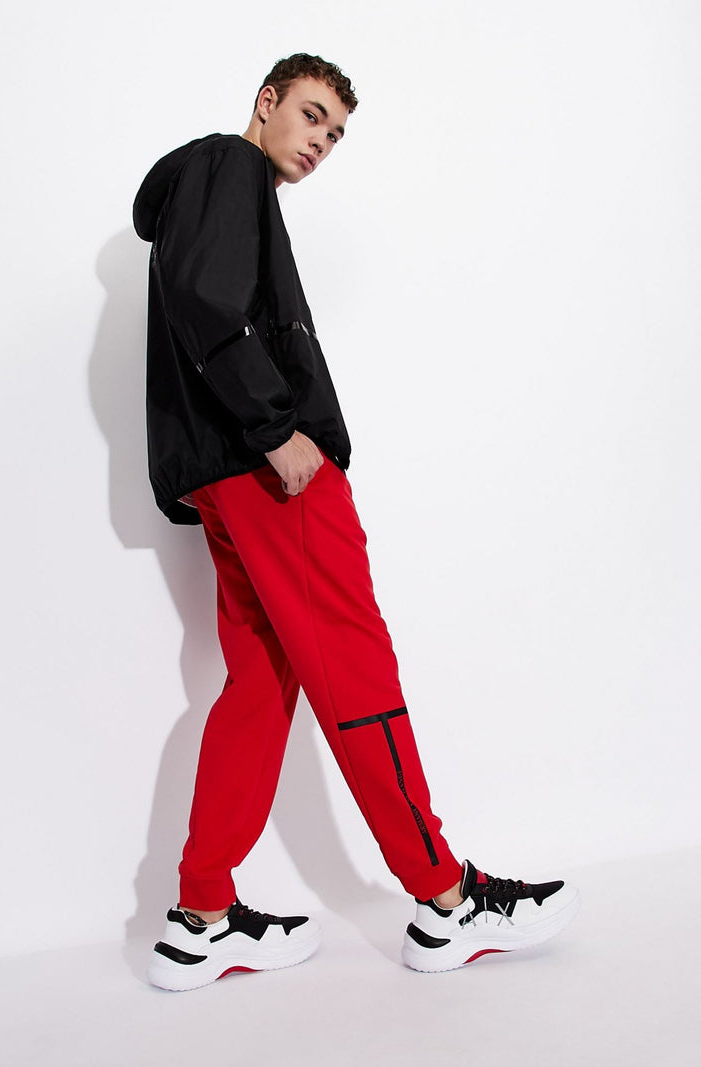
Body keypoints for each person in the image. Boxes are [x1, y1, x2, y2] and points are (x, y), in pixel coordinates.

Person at [132, 53, 579, 992]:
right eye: (311, 116)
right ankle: (445, 898)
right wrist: (276, 427)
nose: (321, 142)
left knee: (260, 683)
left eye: (335, 134)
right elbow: (208, 299)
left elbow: (201, 301)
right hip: (268, 470)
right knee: (354, 661)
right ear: (267, 102)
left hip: (225, 475)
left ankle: (201, 914)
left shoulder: (213, 188)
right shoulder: (227, 163)